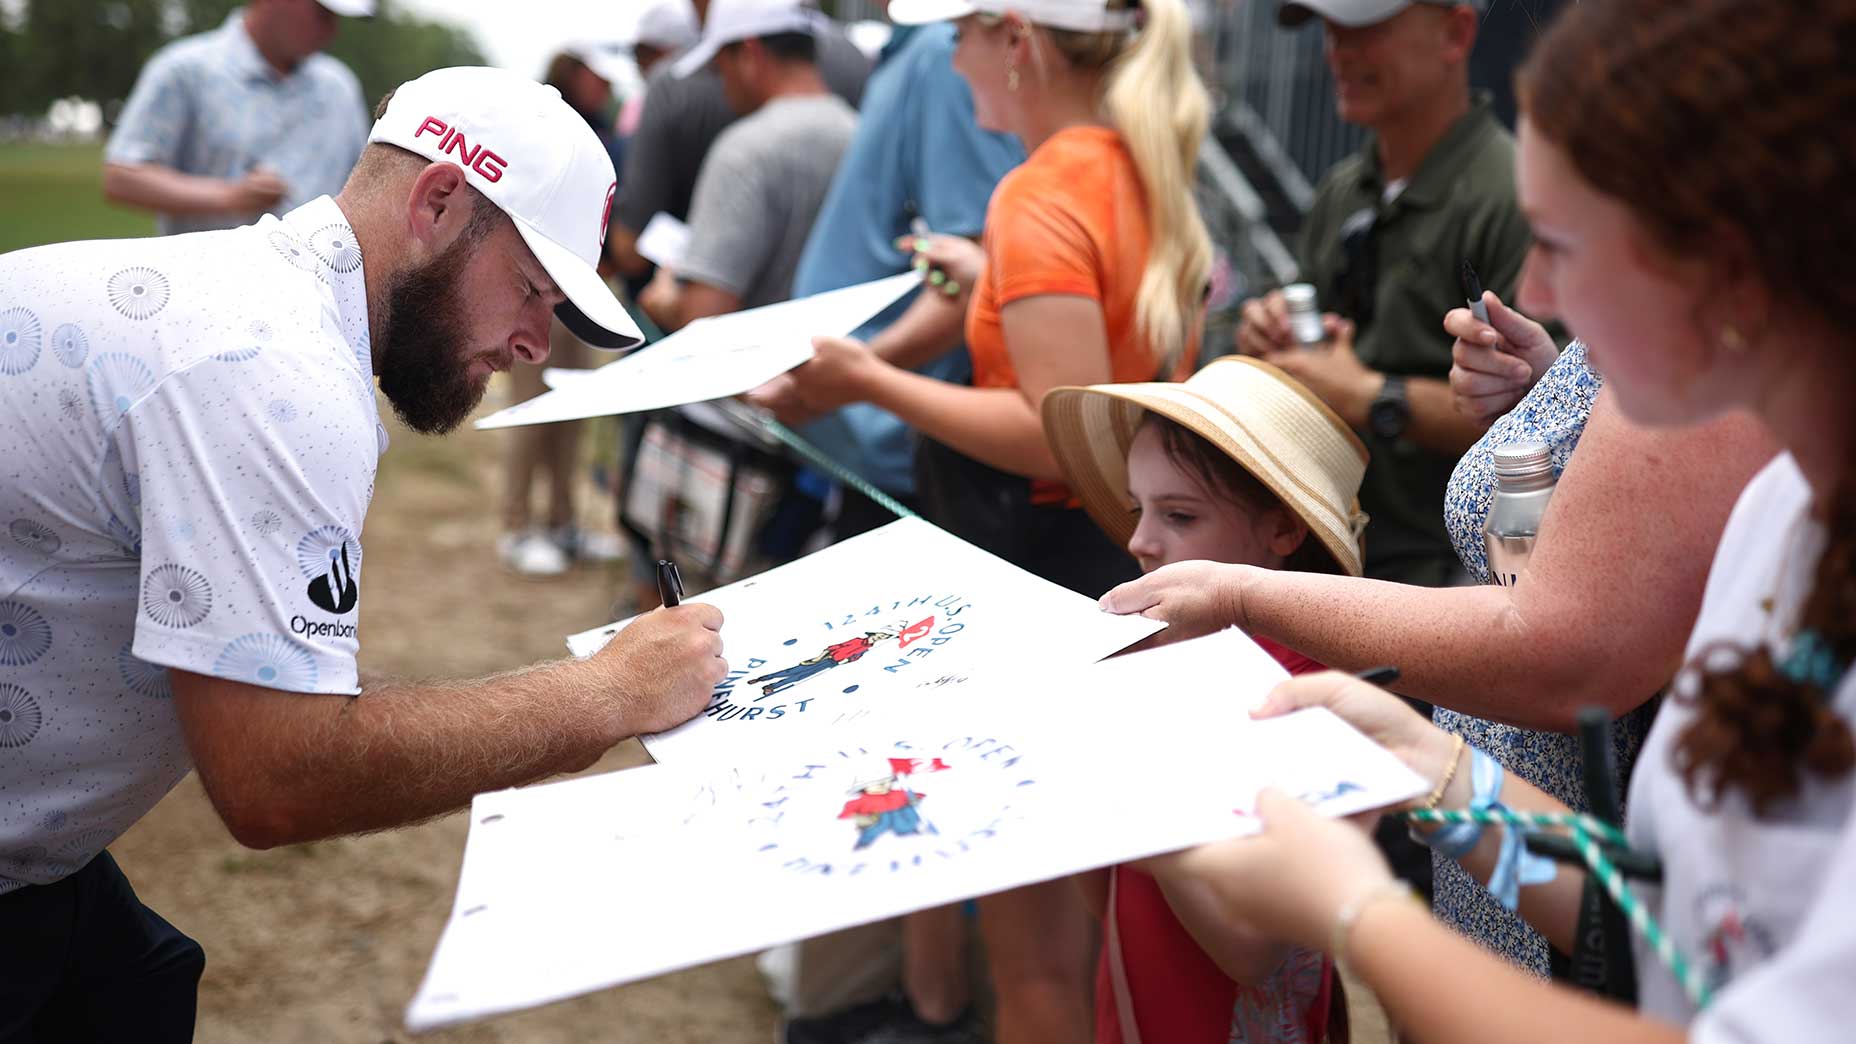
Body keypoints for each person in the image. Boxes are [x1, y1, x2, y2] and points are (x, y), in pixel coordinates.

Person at [1153, 1, 1856, 1038]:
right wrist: (1430, 769)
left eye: (1560, 242)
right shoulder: (1779, 518)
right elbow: (1655, 914)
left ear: (1726, 266)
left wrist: (1353, 913)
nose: (1532, 288)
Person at [0, 67, 726, 1040]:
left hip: (39, 867)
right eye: (531, 291)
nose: (531, 344)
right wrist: (606, 695)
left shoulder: (259, 305)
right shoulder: (271, 369)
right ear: (437, 200)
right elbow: (280, 776)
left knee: (134, 986)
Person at [782, 0, 1212, 1037]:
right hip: (1121, 562)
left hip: (1040, 573)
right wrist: (985, 285)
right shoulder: (1134, 167)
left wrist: (865, 384)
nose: (946, 56)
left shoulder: (1038, 190)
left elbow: (1050, 429)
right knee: (1110, 932)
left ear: (1015, 43)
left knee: (1037, 969)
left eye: (958, 33)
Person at [1042, 356, 1368, 1042]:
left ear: (1283, 530)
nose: (1138, 540)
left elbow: (1253, 949)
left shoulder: (1320, 690)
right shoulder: (1161, 653)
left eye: (1179, 515)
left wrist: (1131, 762)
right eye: (1137, 509)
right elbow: (1107, 897)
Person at [1233, 0, 1533, 589]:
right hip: (1327, 557)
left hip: (1446, 582)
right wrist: (1267, 335)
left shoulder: (1514, 198)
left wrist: (1373, 396)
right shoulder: (1343, 192)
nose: (1339, 51)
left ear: (1455, 31)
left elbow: (1551, 425)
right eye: (1330, 30)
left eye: (1365, 29)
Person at [746, 12, 1023, 536]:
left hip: (909, 454)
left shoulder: (947, 51)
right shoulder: (923, 49)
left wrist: (852, 376)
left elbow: (968, 279)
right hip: (877, 436)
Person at [604, 0, 870, 283]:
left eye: (719, 68)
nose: (723, 82)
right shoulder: (854, 64)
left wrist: (667, 295)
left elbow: (631, 251)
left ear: (748, 54)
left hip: (729, 308)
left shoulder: (735, 146)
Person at [498, 46, 635, 577]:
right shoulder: (542, 128)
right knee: (531, 412)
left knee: (570, 412)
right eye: (598, 77)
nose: (605, 86)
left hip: (584, 292)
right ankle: (516, 528)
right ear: (575, 73)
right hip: (539, 289)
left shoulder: (603, 132)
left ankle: (561, 523)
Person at [103, 0, 374, 236]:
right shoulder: (185, 71)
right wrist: (229, 196)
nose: (332, 30)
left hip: (324, 291)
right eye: (322, 13)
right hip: (209, 286)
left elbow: (366, 186)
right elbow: (121, 177)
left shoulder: (340, 86)